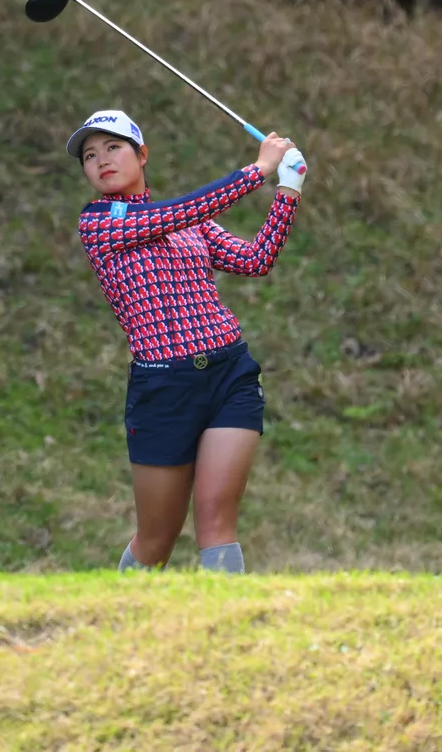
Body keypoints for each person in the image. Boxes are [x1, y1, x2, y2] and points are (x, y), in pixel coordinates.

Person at [67, 109, 306, 574]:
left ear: (142, 154)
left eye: (113, 148)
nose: (102, 160)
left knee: (217, 521)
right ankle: (122, 613)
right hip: (164, 389)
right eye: (90, 156)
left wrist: (288, 190)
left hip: (229, 376)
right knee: (157, 538)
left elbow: (255, 260)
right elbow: (185, 210)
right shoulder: (99, 222)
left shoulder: (187, 221)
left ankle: (229, 616)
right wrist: (258, 169)